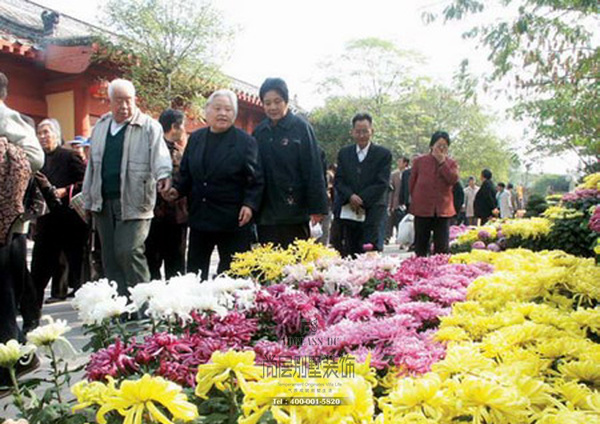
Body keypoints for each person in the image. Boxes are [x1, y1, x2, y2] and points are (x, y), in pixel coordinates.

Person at [82, 79, 172, 296]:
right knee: (110, 256)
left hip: (135, 198)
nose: (124, 106)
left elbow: (160, 156)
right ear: (110, 102)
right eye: (118, 101)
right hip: (103, 200)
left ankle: (144, 307)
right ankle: (121, 308)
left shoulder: (149, 126)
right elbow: (92, 166)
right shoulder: (101, 127)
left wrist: (163, 175)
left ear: (135, 100)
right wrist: (87, 198)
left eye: (128, 101)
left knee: (129, 251)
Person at [165, 90, 263, 280]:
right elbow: (186, 173)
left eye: (228, 109)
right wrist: (176, 190)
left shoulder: (246, 142)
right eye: (217, 108)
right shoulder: (196, 139)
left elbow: (256, 180)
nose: (223, 113)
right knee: (195, 275)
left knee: (232, 279)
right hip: (201, 218)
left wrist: (249, 205)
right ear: (207, 111)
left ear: (234, 114)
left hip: (233, 220)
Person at [0, 71, 44, 392]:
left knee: (3, 293)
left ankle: (12, 366)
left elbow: (35, 157)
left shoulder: (6, 118)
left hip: (5, 222)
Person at [253, 78, 328, 248]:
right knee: (268, 264)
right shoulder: (259, 131)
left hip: (295, 210)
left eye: (277, 101)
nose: (272, 107)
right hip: (267, 212)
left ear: (286, 101)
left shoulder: (301, 128)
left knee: (295, 266)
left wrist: (317, 207)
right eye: (267, 103)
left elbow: (314, 168)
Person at [27, 119, 87, 312]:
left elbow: (85, 182)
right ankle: (30, 313)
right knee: (38, 269)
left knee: (78, 268)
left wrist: (65, 190)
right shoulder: (37, 160)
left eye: (46, 132)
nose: (43, 136)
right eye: (40, 133)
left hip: (71, 222)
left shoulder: (69, 156)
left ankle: (89, 310)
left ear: (56, 134)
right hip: (47, 221)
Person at [333, 113, 392, 257]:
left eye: (365, 131)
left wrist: (361, 198)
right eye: (358, 131)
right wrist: (351, 196)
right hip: (349, 211)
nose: (361, 135)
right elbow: (339, 180)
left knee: (370, 251)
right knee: (349, 252)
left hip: (373, 211)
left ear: (372, 131)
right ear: (352, 132)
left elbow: (382, 183)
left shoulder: (383, 154)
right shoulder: (344, 153)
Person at [144, 109, 188, 280]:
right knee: (162, 265)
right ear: (174, 127)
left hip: (172, 218)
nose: (184, 130)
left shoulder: (180, 152)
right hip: (160, 217)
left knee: (168, 266)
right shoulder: (155, 151)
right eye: (183, 125)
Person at [409, 131, 459, 257]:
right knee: (421, 246)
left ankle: (440, 272)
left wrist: (442, 163)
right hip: (422, 209)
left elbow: (453, 180)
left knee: (442, 248)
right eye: (439, 145)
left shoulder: (451, 163)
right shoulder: (420, 161)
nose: (441, 149)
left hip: (442, 210)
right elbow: (412, 184)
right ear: (432, 146)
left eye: (445, 146)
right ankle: (419, 270)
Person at [386, 156, 410, 242]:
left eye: (400, 161)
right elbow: (391, 190)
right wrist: (390, 203)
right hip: (395, 202)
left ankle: (402, 238)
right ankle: (388, 237)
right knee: (391, 220)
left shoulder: (409, 173)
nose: (398, 163)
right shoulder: (394, 174)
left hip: (406, 201)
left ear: (405, 163)